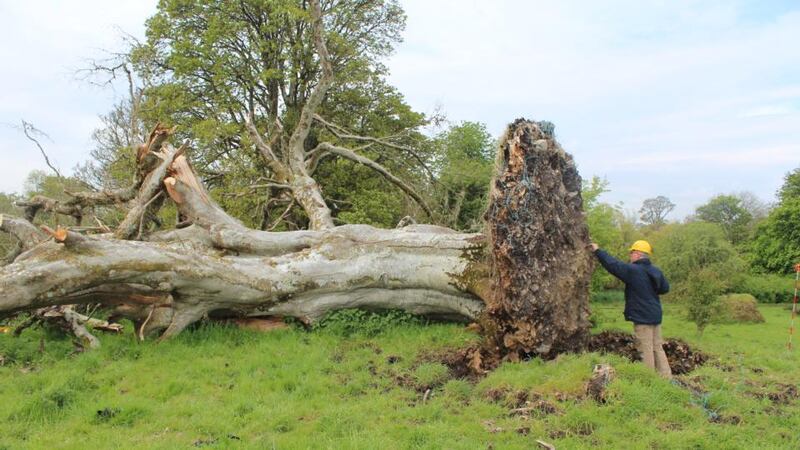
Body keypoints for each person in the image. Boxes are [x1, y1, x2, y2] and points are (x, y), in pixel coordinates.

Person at [590, 240, 672, 378]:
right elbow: (665, 288)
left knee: (645, 348)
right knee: (657, 347)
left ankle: (649, 379)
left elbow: (613, 265)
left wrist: (598, 251)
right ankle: (666, 377)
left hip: (642, 317)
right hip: (655, 315)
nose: (630, 255)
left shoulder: (633, 270)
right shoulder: (655, 270)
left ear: (638, 254)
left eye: (631, 252)